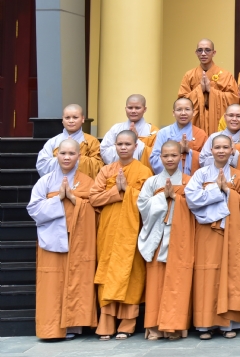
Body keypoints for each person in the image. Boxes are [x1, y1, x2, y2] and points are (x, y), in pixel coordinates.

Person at [185, 134, 240, 340]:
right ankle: (205, 325)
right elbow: (192, 198)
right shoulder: (200, 174)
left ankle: (228, 324)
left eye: (226, 147)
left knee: (230, 274)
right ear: (211, 150)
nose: (222, 151)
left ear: (232, 150)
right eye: (217, 147)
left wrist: (228, 192)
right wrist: (218, 190)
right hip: (207, 232)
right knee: (207, 275)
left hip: (231, 231)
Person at [27, 139, 97, 340]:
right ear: (56, 155)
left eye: (71, 154)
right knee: (51, 282)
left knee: (75, 279)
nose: (67, 157)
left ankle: (73, 326)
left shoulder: (87, 182)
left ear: (79, 156)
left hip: (78, 240)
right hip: (51, 239)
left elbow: (96, 209)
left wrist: (74, 200)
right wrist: (58, 199)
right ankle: (50, 328)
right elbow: (33, 209)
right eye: (63, 153)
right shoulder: (46, 181)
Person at [90, 130, 153, 340]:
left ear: (136, 147)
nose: (123, 147)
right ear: (115, 146)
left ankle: (127, 324)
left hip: (132, 231)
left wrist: (128, 190)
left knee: (131, 274)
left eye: (127, 144)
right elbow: (94, 198)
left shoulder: (144, 172)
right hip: (108, 231)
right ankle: (106, 325)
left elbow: (150, 202)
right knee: (107, 272)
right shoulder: (106, 170)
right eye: (120, 144)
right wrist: (116, 192)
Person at [137, 140, 194, 340]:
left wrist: (176, 199)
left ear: (181, 157)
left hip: (179, 238)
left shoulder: (189, 180)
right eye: (166, 156)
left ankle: (175, 326)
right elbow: (142, 206)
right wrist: (163, 198)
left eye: (174, 155)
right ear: (160, 157)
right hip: (158, 237)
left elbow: (195, 207)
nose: (170, 159)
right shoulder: (152, 182)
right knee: (156, 282)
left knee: (178, 280)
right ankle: (154, 326)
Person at [178, 38, 238, 135]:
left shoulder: (225, 75)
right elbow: (181, 102)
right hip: (196, 122)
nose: (203, 53)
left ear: (214, 53)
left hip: (218, 121)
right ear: (196, 53)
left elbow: (234, 99)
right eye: (200, 50)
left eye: (207, 50)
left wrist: (211, 91)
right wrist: (199, 90)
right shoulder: (189, 75)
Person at [36, 103, 102, 178]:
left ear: (83, 119)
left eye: (75, 117)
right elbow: (42, 165)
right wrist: (63, 160)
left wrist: (77, 161)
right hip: (57, 184)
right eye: (67, 118)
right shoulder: (53, 142)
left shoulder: (92, 141)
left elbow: (98, 167)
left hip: (83, 186)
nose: (71, 121)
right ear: (62, 120)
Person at [146, 98, 208, 175]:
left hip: (193, 180)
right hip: (168, 179)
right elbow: (154, 159)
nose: (183, 113)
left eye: (187, 109)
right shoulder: (163, 133)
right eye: (179, 110)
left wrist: (189, 151)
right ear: (173, 113)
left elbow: (207, 160)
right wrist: (179, 150)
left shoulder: (201, 134)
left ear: (193, 112)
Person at [199, 104, 240, 178]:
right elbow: (202, 160)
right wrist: (222, 157)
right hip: (214, 180)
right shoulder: (214, 137)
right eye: (231, 115)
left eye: (238, 116)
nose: (234, 119)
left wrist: (235, 153)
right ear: (225, 117)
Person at [99, 94, 158, 165]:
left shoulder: (153, 131)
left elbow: (156, 157)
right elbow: (104, 150)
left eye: (137, 108)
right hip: (117, 171)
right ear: (125, 109)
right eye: (130, 108)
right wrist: (124, 150)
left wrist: (137, 141)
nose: (133, 111)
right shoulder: (116, 128)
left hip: (142, 173)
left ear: (144, 109)